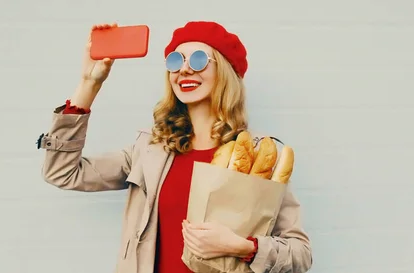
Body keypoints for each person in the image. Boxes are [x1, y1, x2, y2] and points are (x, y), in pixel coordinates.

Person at [37, 21, 312, 273]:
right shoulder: (149, 150)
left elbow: (300, 255)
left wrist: (245, 247)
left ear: (225, 71)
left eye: (199, 59)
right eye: (175, 60)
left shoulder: (259, 156)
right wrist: (89, 84)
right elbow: (62, 172)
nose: (184, 69)